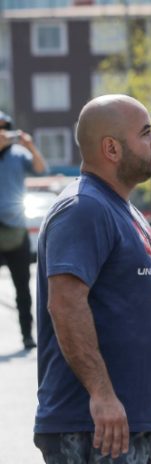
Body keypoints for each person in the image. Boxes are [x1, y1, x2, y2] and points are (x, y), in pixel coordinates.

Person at [33, 95, 151, 462]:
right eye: (146, 132)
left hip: (124, 422)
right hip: (92, 426)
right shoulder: (83, 209)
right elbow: (65, 305)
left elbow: (141, 313)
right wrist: (101, 395)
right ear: (111, 149)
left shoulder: (125, 211)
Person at [0, 110, 47, 350]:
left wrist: (30, 145)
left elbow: (41, 169)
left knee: (22, 286)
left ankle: (27, 334)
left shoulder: (19, 155)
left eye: (3, 127)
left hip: (15, 228)